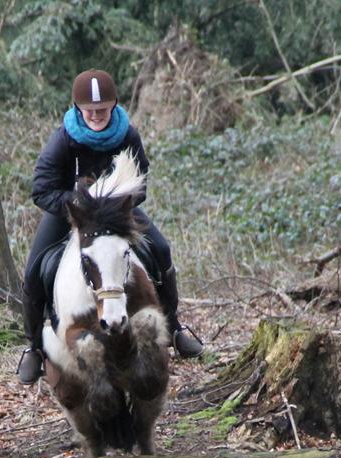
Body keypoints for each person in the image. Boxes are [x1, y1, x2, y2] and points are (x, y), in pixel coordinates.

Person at [16, 68, 204, 385]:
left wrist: (115, 200)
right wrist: (81, 202)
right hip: (71, 212)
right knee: (35, 269)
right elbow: (41, 189)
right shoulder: (63, 138)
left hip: (117, 211)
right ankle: (34, 347)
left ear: (114, 105)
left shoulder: (127, 134)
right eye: (90, 111)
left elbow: (140, 182)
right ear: (79, 109)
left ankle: (174, 327)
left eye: (102, 110)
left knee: (160, 249)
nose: (96, 116)